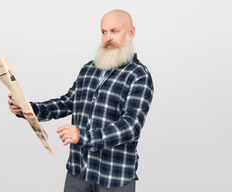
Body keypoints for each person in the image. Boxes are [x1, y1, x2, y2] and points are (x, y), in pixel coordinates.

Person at [8, 9, 153, 192]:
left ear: (131, 32)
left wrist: (83, 135)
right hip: (79, 171)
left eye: (114, 31)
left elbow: (131, 126)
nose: (107, 37)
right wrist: (27, 108)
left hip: (114, 176)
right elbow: (67, 103)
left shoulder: (139, 75)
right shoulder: (89, 69)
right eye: (104, 31)